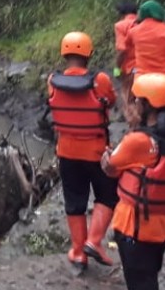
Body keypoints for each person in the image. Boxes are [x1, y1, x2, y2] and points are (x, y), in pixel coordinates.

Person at [101, 72, 165, 290]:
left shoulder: (138, 141)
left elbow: (111, 166)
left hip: (134, 226)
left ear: (147, 104)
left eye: (138, 100)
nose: (135, 105)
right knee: (149, 276)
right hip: (161, 227)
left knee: (140, 282)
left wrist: (107, 162)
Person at [47, 32, 118, 273]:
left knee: (74, 202)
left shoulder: (51, 81)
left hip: (67, 153)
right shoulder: (100, 80)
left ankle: (78, 253)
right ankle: (94, 241)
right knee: (108, 196)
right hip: (97, 152)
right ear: (89, 54)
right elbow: (111, 101)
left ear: (64, 54)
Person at [113, 0, 138, 114]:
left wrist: (117, 68)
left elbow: (122, 50)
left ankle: (133, 127)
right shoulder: (143, 22)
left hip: (130, 69)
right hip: (147, 67)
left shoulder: (120, 26)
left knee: (128, 97)